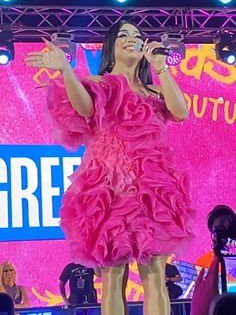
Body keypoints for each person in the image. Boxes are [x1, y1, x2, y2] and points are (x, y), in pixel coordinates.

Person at [25, 20, 194, 315]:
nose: (133, 39)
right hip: (109, 186)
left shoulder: (154, 90)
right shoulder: (99, 84)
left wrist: (161, 66)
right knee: (113, 276)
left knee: (155, 275)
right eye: (123, 36)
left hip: (151, 188)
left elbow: (180, 112)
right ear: (111, 47)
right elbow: (85, 109)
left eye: (138, 36)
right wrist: (66, 70)